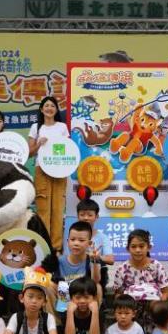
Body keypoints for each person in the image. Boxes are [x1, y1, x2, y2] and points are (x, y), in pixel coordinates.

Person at [27, 96, 69, 251]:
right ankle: (43, 246)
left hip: (60, 170)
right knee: (43, 209)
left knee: (58, 209)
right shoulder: (36, 127)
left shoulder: (62, 127)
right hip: (41, 170)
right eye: (46, 105)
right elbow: (29, 153)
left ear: (56, 110)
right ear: (41, 109)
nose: (49, 108)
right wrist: (39, 144)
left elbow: (67, 148)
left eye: (52, 105)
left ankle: (56, 248)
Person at [113, 229, 168, 334]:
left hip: (153, 304)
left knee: (158, 306)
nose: (138, 250)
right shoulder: (122, 269)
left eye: (141, 246)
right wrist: (124, 306)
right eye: (133, 247)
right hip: (131, 305)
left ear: (149, 247)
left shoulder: (156, 266)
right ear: (127, 249)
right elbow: (118, 294)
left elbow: (165, 291)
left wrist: (160, 304)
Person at [41, 220, 101, 298]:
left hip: (83, 297)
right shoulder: (59, 261)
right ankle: (50, 311)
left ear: (89, 244)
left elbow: (95, 281)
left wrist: (95, 261)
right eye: (72, 240)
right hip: (62, 295)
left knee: (98, 287)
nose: (76, 243)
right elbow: (53, 282)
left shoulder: (92, 260)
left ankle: (93, 310)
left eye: (81, 240)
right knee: (48, 285)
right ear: (68, 242)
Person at [77, 199, 113, 290]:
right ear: (78, 216)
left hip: (97, 273)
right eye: (82, 215)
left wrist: (97, 257)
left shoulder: (103, 237)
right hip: (76, 273)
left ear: (96, 217)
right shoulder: (72, 235)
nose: (86, 218)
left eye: (90, 215)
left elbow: (111, 259)